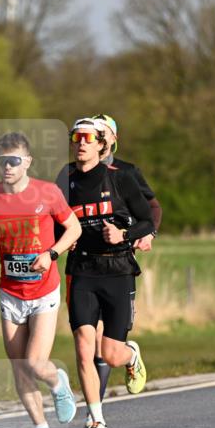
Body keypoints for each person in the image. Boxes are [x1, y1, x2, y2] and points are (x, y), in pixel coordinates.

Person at [0, 132, 82, 428]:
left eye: (13, 160)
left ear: (27, 162)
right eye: (1, 161)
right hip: (10, 292)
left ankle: (58, 382)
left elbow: (73, 228)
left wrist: (52, 254)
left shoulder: (47, 192)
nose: (7, 166)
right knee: (19, 365)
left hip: (44, 290)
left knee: (34, 362)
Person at [54, 114, 160, 411]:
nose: (81, 144)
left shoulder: (124, 173)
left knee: (109, 351)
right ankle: (95, 417)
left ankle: (128, 356)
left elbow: (149, 213)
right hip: (82, 268)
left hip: (118, 267)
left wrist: (133, 234)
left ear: (107, 141)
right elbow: (54, 217)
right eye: (76, 138)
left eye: (89, 138)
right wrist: (64, 238)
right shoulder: (65, 177)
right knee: (86, 346)